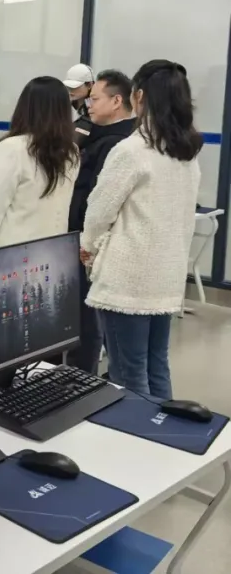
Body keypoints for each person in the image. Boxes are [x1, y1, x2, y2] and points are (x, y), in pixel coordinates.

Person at [82, 61, 202, 398]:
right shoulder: (186, 152)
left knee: (128, 372)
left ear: (140, 97)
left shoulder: (132, 151)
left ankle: (135, 429)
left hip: (128, 279)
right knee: (156, 364)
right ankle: (162, 428)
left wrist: (89, 247)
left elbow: (99, 212)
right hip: (166, 277)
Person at [66, 70, 135, 373]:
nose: (89, 105)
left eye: (95, 99)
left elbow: (98, 200)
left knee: (88, 316)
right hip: (87, 238)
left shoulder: (115, 144)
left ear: (117, 101)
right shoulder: (99, 135)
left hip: (92, 243)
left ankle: (83, 376)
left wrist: (88, 243)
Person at [0, 77, 78, 253]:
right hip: (52, 252)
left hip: (12, 254)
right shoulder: (71, 151)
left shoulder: (13, 148)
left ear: (26, 107)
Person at [63, 63, 95, 145]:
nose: (71, 90)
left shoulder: (95, 109)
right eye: (68, 86)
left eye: (75, 86)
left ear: (89, 85)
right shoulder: (64, 106)